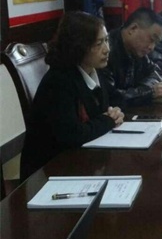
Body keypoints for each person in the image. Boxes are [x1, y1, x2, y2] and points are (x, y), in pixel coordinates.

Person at [20, 12, 125, 180]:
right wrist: (108, 120)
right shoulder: (59, 81)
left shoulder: (94, 69)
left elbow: (109, 104)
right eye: (99, 43)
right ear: (79, 46)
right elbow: (73, 135)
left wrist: (115, 113)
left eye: (106, 40)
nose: (107, 49)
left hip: (81, 160)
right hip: (49, 172)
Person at [102, 7, 162, 106]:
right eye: (152, 39)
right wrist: (149, 92)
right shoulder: (105, 51)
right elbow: (111, 98)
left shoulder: (137, 51)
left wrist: (145, 89)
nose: (152, 47)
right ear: (133, 28)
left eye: (156, 43)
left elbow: (158, 73)